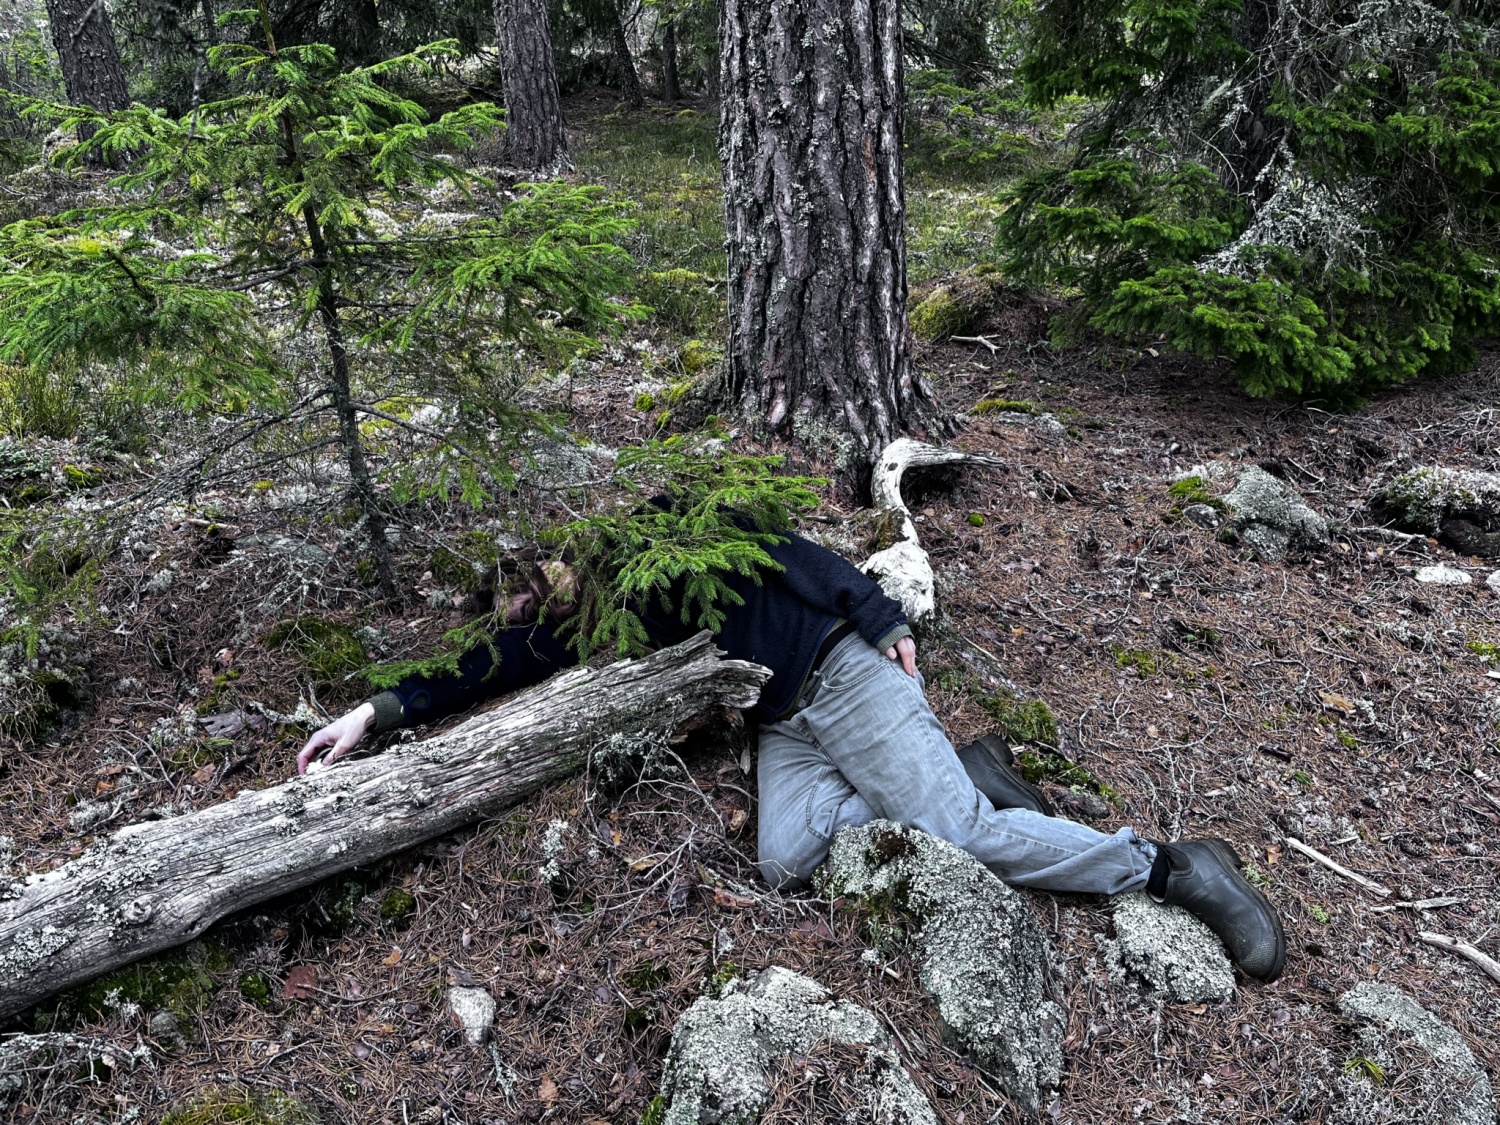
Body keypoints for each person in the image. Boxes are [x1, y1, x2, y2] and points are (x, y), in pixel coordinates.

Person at [299, 527, 1286, 982]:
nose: (542, 604)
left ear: (566, 551)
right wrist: (377, 712)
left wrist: (880, 610)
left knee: (958, 834)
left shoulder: (659, 532)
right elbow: (486, 666)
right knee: (787, 858)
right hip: (782, 721)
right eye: (531, 604)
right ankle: (960, 775)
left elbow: (788, 552)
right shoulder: (576, 626)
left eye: (543, 583)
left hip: (841, 668)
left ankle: (1167, 863)